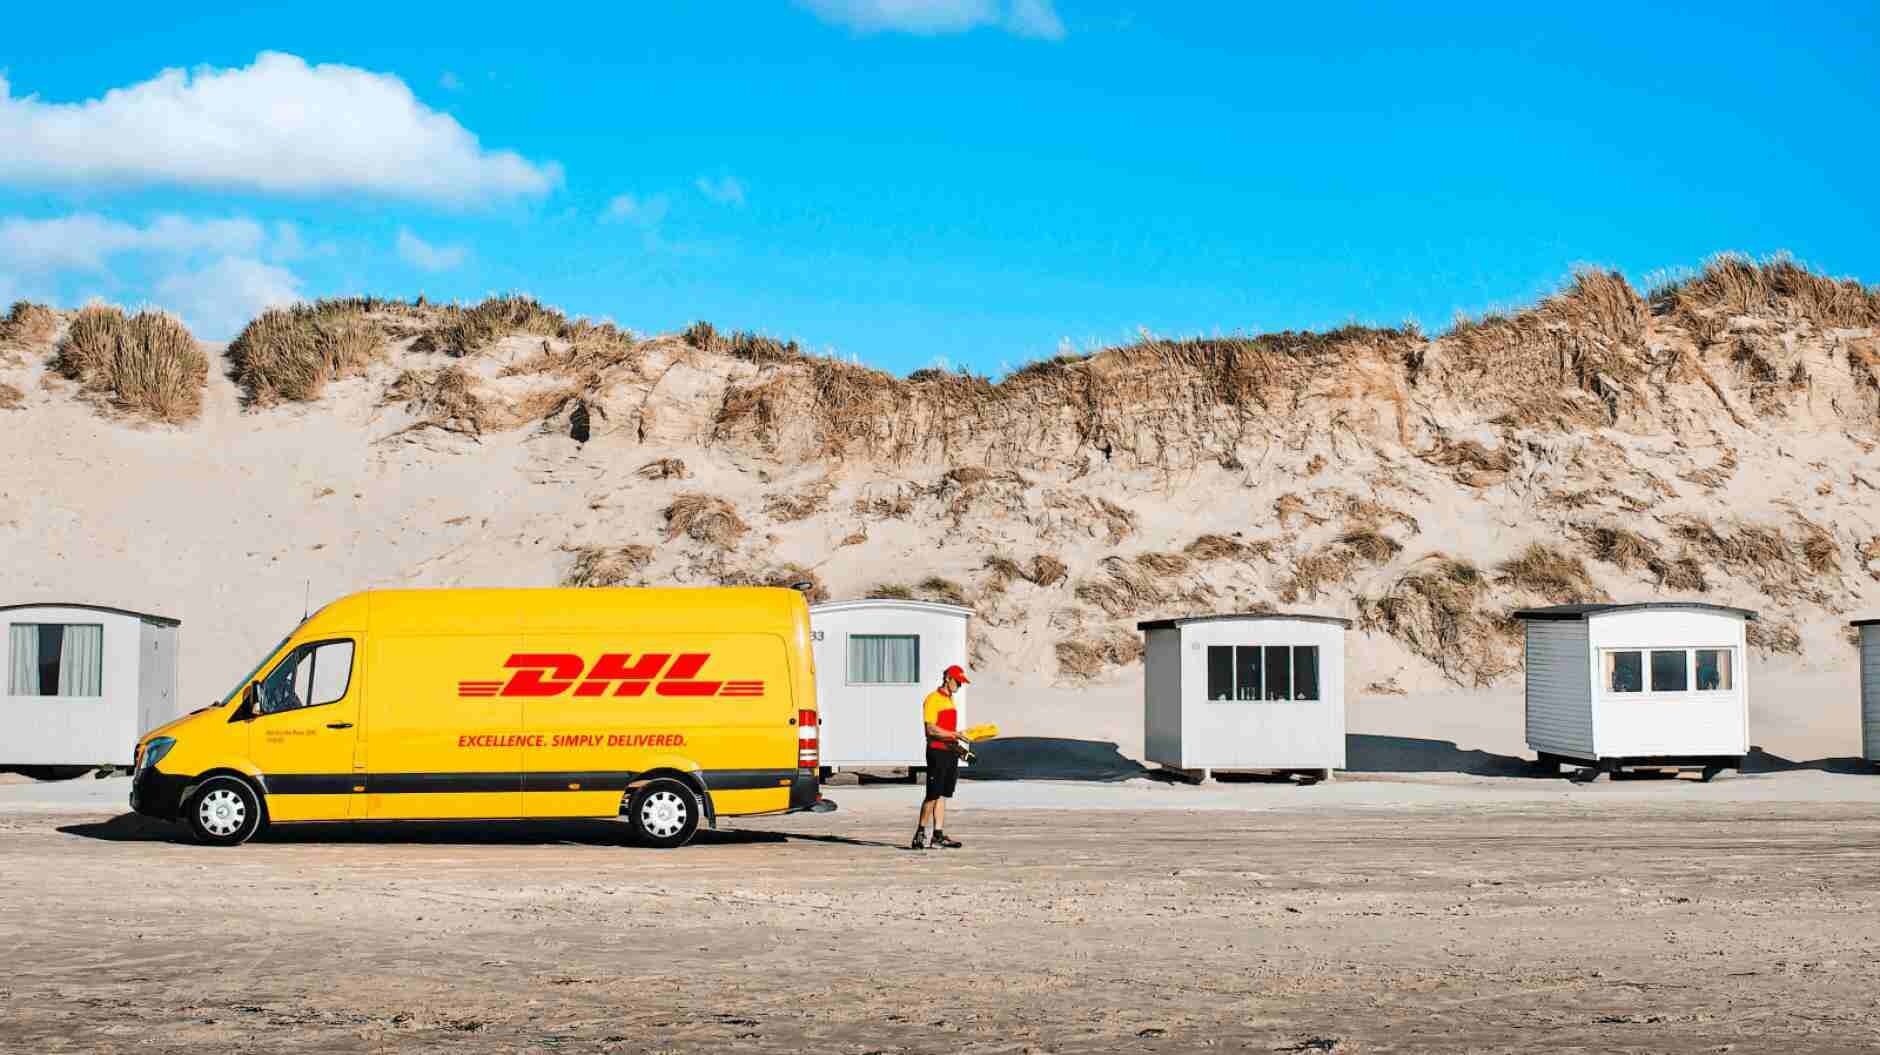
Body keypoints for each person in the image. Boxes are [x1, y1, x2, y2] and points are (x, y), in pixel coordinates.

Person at [911, 664, 970, 850]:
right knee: (932, 794)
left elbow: (950, 731)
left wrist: (960, 749)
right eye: (957, 682)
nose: (959, 686)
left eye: (961, 683)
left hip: (950, 751)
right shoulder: (932, 699)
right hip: (937, 751)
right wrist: (955, 735)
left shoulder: (950, 700)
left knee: (943, 795)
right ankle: (920, 833)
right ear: (947, 678)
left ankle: (938, 834)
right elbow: (931, 729)